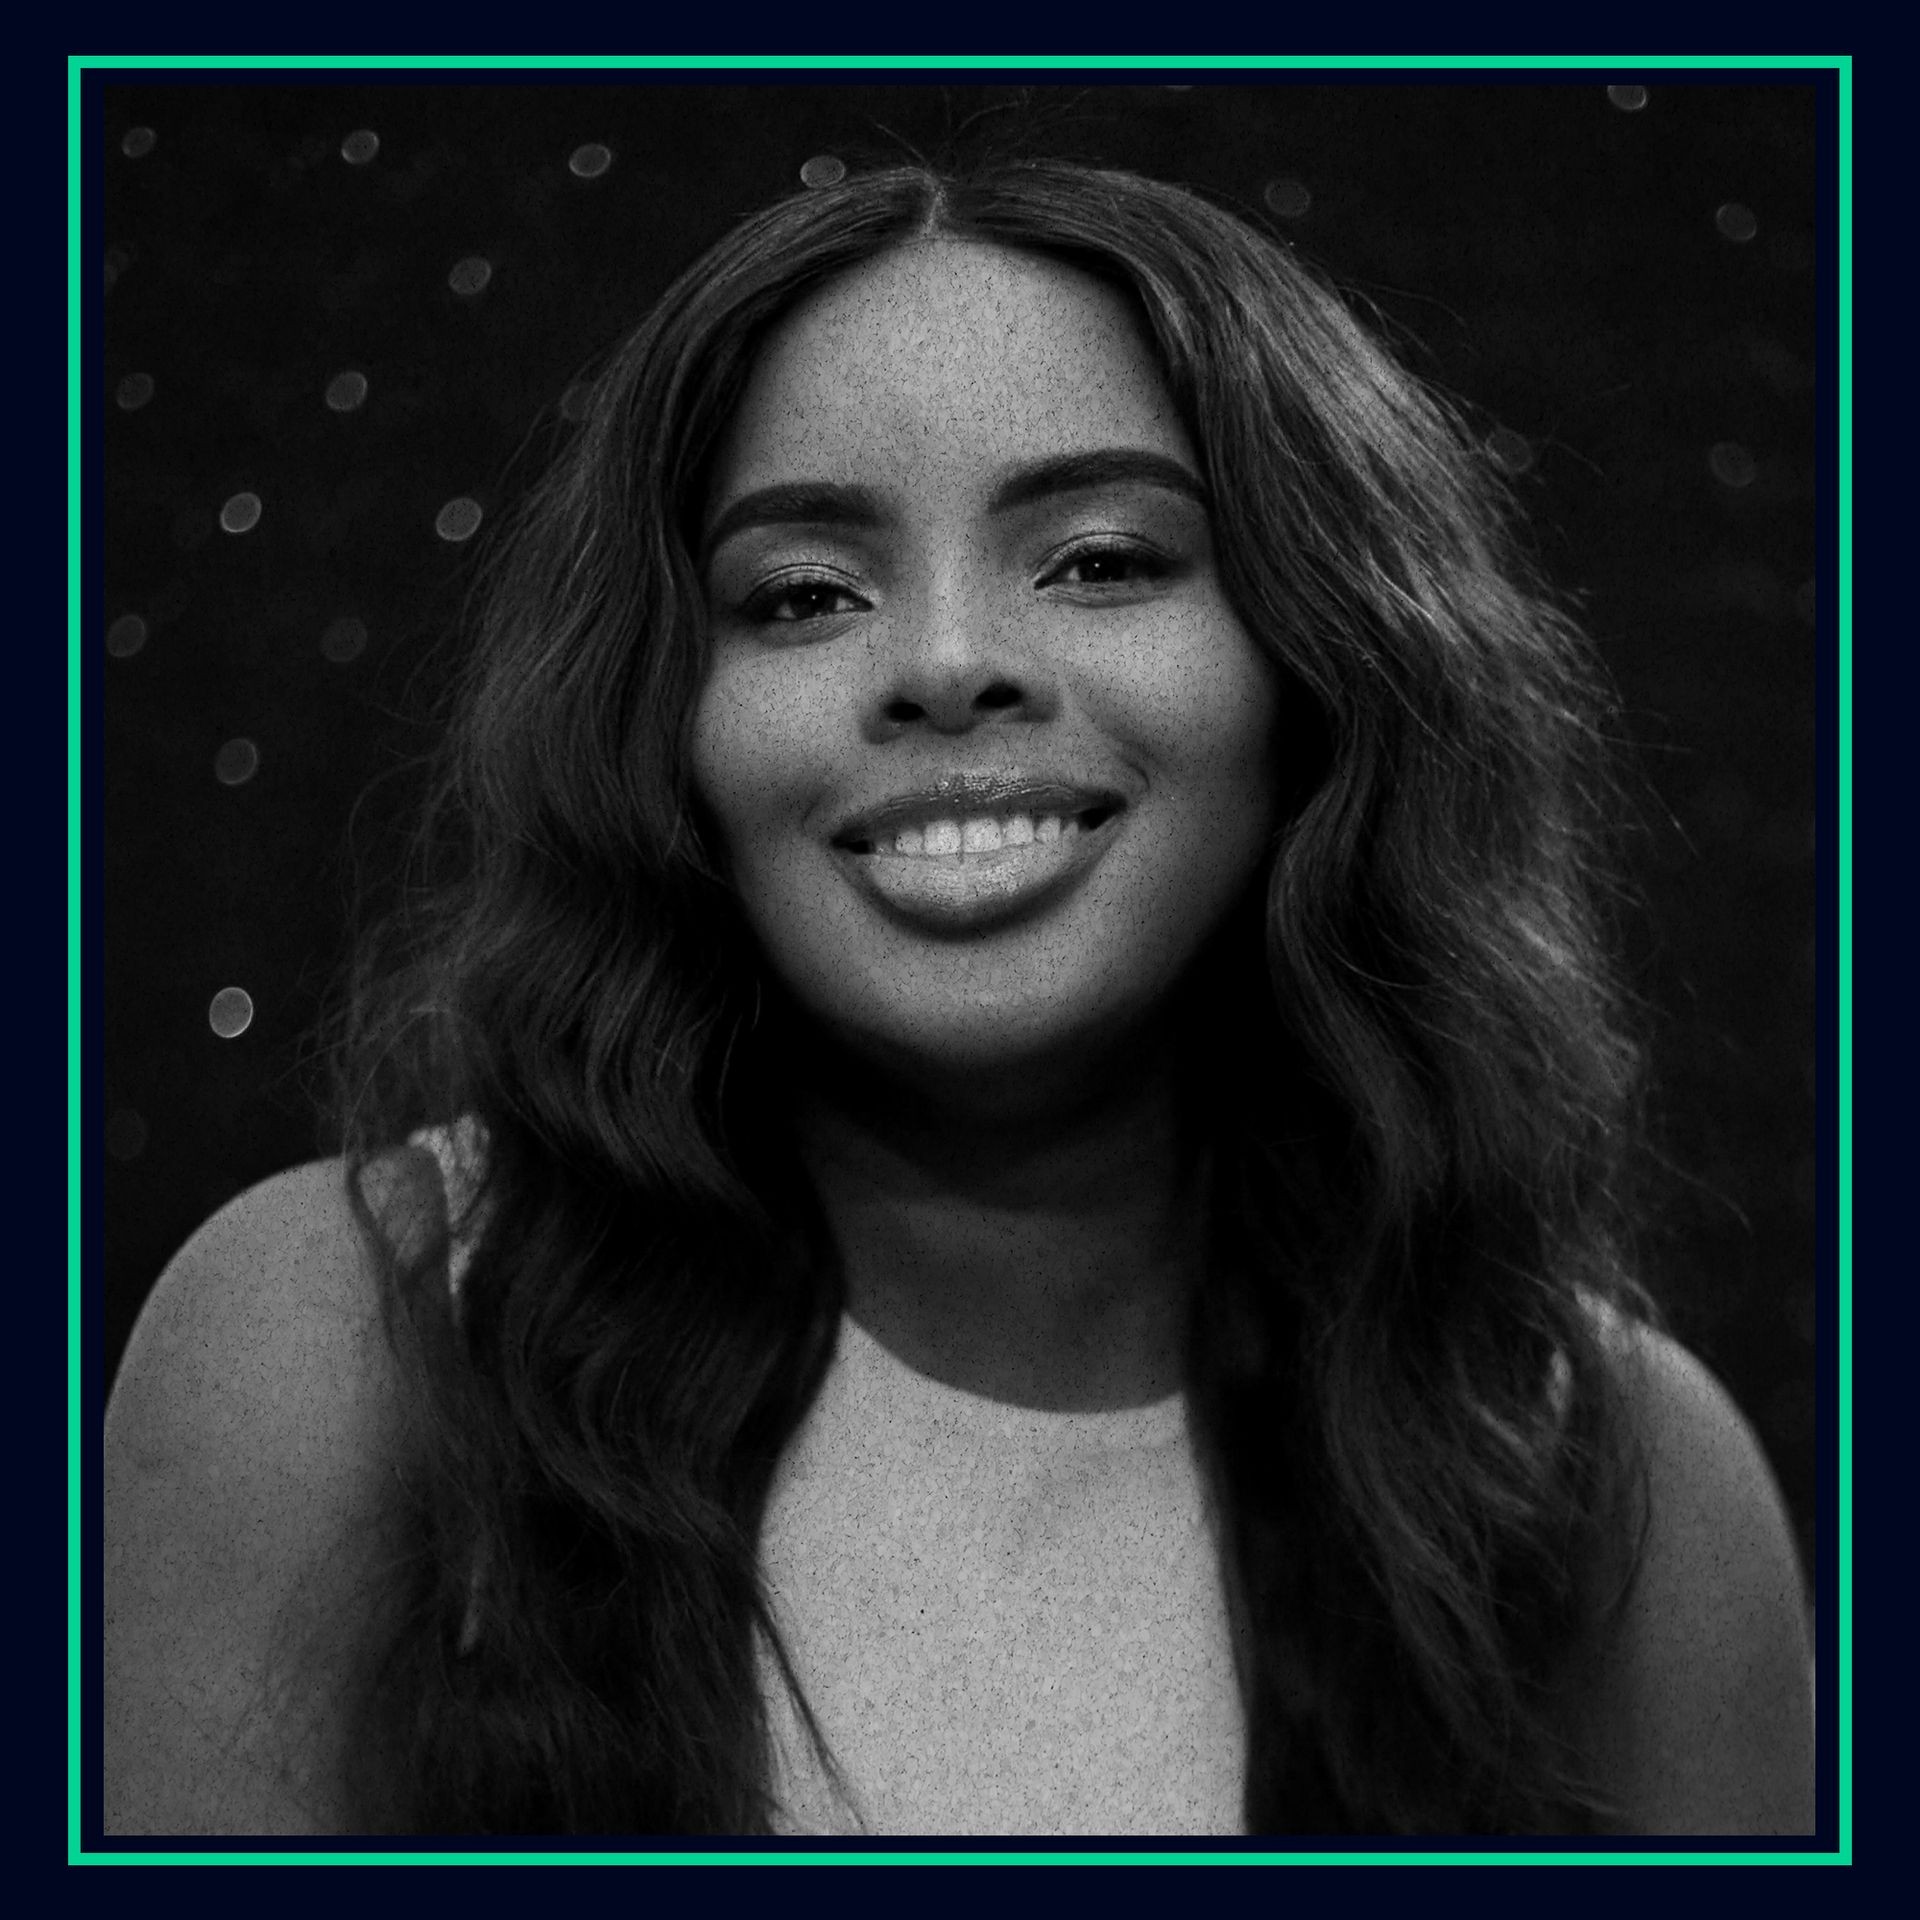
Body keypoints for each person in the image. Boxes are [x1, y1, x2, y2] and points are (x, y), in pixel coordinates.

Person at [103, 157, 1816, 1839]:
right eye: (802, 595)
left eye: (1099, 560)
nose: (940, 663)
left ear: (1323, 669)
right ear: (667, 737)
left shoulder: (1608, 1479)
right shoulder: (349, 1338)